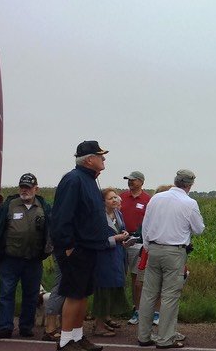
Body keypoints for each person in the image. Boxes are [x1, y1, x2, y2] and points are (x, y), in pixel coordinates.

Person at [50, 140, 112, 351]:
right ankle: (65, 340)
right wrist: (68, 246)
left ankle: (77, 336)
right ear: (89, 159)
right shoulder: (73, 180)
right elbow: (61, 217)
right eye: (100, 155)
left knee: (83, 293)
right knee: (74, 294)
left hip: (91, 247)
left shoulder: (90, 180)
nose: (104, 159)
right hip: (77, 248)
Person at [137, 169, 205, 349]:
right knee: (170, 296)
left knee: (149, 293)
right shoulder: (189, 203)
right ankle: (165, 338)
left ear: (175, 181)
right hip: (174, 251)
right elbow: (199, 229)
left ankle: (143, 335)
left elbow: (146, 225)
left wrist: (147, 246)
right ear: (189, 185)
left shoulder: (156, 198)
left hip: (153, 248)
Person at [0, 173, 52, 339]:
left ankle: (26, 327)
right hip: (10, 259)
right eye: (22, 187)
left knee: (31, 295)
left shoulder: (43, 207)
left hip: (34, 260)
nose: (25, 190)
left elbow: (51, 230)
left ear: (36, 189)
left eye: (28, 187)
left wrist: (46, 251)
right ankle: (5, 327)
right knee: (6, 293)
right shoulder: (8, 206)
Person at [91, 188, 132, 337]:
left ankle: (105, 319)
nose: (115, 200)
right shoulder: (98, 217)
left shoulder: (118, 214)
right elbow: (95, 239)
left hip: (117, 256)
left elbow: (122, 229)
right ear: (103, 202)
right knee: (103, 289)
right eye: (110, 198)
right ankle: (98, 325)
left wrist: (125, 234)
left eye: (116, 197)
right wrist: (116, 239)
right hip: (103, 258)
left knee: (112, 288)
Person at [120, 170, 152, 326]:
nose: (130, 182)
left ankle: (137, 309)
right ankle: (115, 308)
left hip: (137, 242)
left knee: (136, 278)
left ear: (141, 181)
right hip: (119, 241)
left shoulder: (147, 199)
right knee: (118, 276)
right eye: (128, 179)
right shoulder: (121, 197)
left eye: (133, 180)